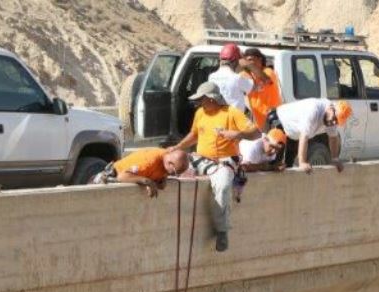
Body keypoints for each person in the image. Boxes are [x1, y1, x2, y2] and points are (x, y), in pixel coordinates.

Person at [168, 81, 261, 252]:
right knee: (173, 168)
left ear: (211, 99)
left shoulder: (232, 113)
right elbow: (194, 135)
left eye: (201, 99)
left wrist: (238, 134)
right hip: (200, 159)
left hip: (223, 162)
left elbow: (256, 133)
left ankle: (222, 230)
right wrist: (177, 148)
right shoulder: (200, 113)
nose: (198, 103)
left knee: (223, 186)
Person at [267, 98, 352, 173]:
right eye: (334, 119)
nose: (333, 122)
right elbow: (304, 137)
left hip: (293, 133)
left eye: (337, 122)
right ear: (330, 109)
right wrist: (302, 162)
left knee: (287, 166)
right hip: (280, 121)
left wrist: (335, 159)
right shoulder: (314, 110)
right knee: (274, 165)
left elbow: (333, 137)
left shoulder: (332, 118)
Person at [90, 147, 189, 198]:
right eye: (173, 173)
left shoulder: (167, 162)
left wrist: (162, 180)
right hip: (112, 176)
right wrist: (147, 181)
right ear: (170, 163)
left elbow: (160, 181)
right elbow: (122, 177)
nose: (171, 175)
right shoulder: (149, 161)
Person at [208, 43, 254, 114]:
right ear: (236, 61)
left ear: (220, 59)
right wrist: (244, 67)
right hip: (234, 121)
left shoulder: (211, 77)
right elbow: (254, 87)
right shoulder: (237, 78)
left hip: (216, 120)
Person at [242, 47, 281, 130]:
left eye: (250, 60)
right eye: (247, 60)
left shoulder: (268, 72)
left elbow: (266, 80)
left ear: (260, 59)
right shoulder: (248, 74)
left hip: (271, 119)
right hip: (256, 120)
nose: (248, 63)